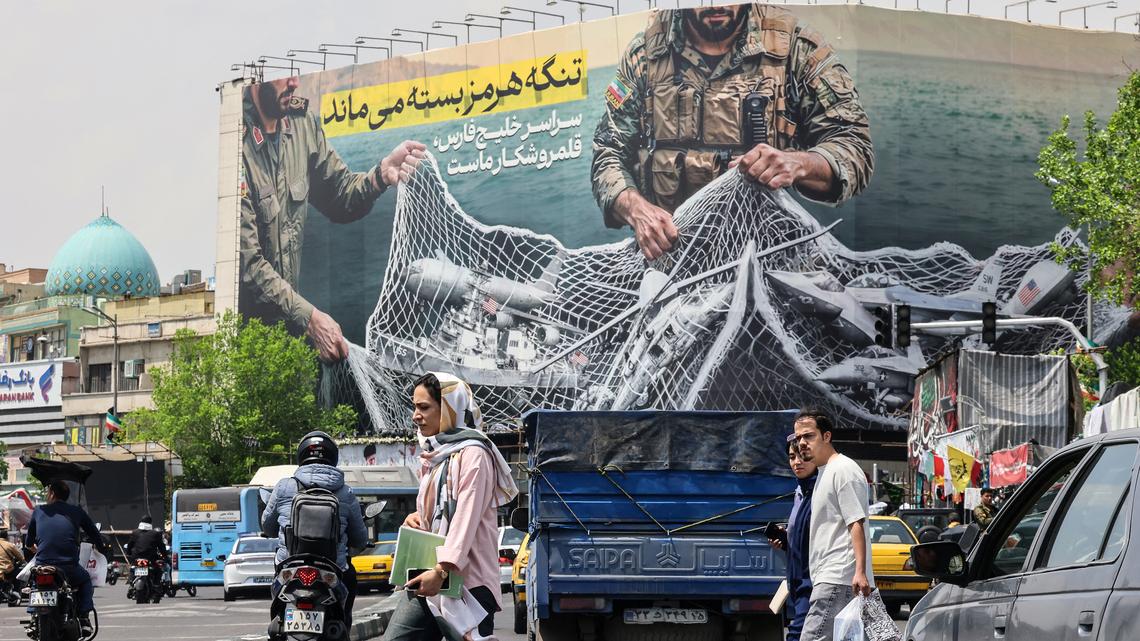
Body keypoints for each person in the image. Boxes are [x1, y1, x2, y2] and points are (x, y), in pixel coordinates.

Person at [591, 4, 874, 259]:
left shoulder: (796, 49)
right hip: (671, 260)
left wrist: (798, 163)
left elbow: (854, 145)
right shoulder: (645, 56)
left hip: (769, 257)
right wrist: (636, 210)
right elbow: (608, 152)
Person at [239, 75, 428, 361]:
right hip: (249, 349)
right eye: (283, 77)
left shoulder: (303, 125)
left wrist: (381, 175)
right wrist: (311, 319)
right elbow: (248, 264)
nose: (293, 84)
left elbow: (340, 196)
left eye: (295, 75)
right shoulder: (235, 145)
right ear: (257, 80)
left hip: (292, 338)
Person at [382, 372, 519, 641]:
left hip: (466, 582)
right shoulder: (436, 457)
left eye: (424, 407)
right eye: (414, 407)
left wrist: (442, 570)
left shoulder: (474, 454)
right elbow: (438, 513)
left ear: (448, 409)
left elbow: (465, 519)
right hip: (428, 573)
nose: (415, 415)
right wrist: (416, 518)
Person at [261, 431, 368, 625]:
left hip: (289, 565)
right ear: (333, 457)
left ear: (301, 455)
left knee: (277, 589)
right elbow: (360, 539)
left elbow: (267, 526)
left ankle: (279, 620)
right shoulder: (346, 492)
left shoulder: (284, 486)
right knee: (349, 580)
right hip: (333, 568)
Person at [792, 407, 874, 641]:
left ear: (826, 436)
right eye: (798, 438)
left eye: (808, 436)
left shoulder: (843, 469)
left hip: (838, 577)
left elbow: (856, 522)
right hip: (830, 577)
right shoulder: (823, 473)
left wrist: (859, 572)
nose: (802, 443)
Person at [24, 480, 110, 635]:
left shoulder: (39, 511)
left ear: (51, 494)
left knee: (35, 583)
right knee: (85, 581)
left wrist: (37, 550)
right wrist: (102, 548)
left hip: (43, 566)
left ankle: (32, 615)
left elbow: (29, 543)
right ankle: (84, 617)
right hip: (68, 567)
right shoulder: (76, 511)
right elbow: (94, 534)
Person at [768, 438, 817, 641]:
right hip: (796, 583)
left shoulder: (819, 491)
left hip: (813, 584)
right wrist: (788, 541)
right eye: (792, 457)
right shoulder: (800, 492)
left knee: (797, 635)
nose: (797, 461)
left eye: (803, 456)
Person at [0, 528, 24, 602]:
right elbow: (21, 558)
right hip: (7, 569)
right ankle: (15, 591)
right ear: (7, 537)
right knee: (18, 577)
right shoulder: (10, 545)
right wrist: (22, 561)